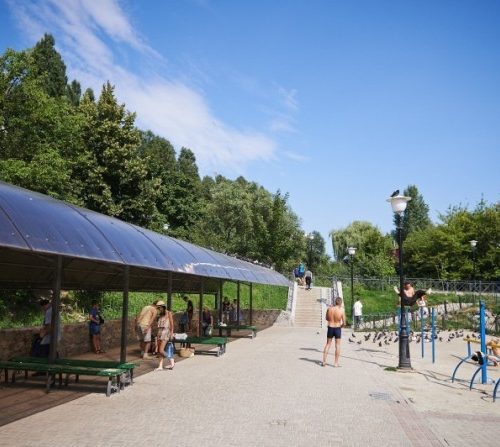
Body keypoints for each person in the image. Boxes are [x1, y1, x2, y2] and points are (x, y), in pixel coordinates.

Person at [322, 297, 346, 367]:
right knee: (337, 345)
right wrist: (340, 327)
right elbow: (344, 323)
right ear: (341, 303)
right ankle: (336, 363)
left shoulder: (329, 309)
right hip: (337, 328)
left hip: (330, 327)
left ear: (335, 302)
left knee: (328, 344)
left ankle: (324, 362)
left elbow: (327, 318)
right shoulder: (342, 310)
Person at [154, 301, 175, 371]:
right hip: (159, 332)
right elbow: (158, 325)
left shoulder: (169, 313)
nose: (158, 309)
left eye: (159, 307)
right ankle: (160, 366)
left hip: (166, 332)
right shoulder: (160, 315)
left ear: (163, 307)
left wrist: (171, 333)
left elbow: (171, 324)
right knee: (159, 350)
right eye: (158, 308)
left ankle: (172, 360)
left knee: (161, 350)